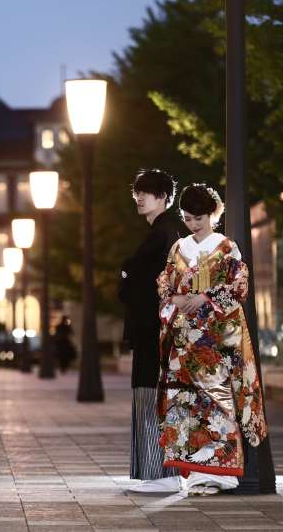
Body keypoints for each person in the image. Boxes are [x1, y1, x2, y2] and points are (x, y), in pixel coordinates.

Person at [156, 184, 268, 496]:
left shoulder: (226, 247)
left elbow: (238, 285)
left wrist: (205, 296)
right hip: (184, 336)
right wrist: (177, 298)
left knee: (217, 400)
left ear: (212, 214)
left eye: (199, 219)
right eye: (188, 219)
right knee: (184, 402)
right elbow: (165, 279)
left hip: (213, 338)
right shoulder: (178, 248)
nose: (193, 225)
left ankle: (221, 473)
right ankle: (192, 474)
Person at [119, 169, 189, 493]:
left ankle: (162, 474)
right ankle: (160, 473)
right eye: (137, 191)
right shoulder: (167, 231)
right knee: (153, 394)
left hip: (155, 329)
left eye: (147, 192)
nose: (139, 197)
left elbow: (141, 279)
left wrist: (126, 274)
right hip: (157, 327)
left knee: (151, 394)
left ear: (163, 197)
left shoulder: (163, 233)